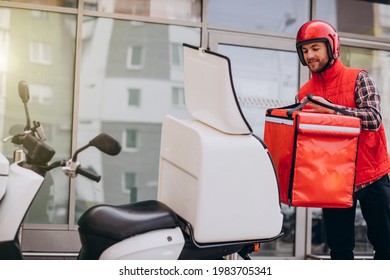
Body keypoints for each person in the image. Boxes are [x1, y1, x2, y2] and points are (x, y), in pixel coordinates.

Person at [295, 19, 390, 260]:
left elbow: (373, 119)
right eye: (305, 51)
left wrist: (334, 111)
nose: (310, 56)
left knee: (387, 245)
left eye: (315, 48)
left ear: (332, 47)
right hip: (334, 180)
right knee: (339, 251)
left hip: (372, 175)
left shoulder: (359, 78)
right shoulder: (304, 94)